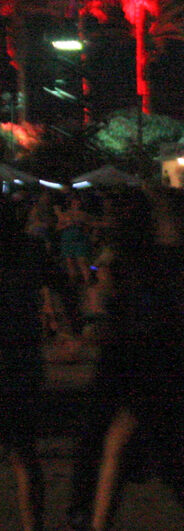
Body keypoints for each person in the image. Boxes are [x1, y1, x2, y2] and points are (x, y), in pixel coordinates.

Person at [67, 187, 184, 531]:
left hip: (150, 363)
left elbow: (150, 314)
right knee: (174, 449)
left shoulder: (154, 259)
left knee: (133, 445)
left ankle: (99, 523)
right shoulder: (169, 257)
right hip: (163, 362)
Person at [1, 199, 52, 531]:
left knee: (23, 455)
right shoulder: (32, 249)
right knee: (24, 454)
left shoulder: (31, 250)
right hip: (23, 359)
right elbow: (61, 286)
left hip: (17, 358)